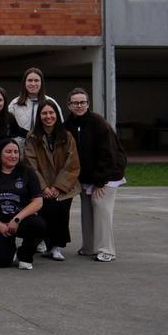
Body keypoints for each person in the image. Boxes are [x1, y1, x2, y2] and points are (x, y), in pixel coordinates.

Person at [64, 88, 127, 263]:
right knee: (86, 210)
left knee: (101, 207)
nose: (79, 105)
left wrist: (100, 180)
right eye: (75, 102)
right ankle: (89, 246)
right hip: (86, 177)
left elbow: (109, 154)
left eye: (82, 102)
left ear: (88, 104)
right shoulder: (67, 125)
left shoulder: (98, 123)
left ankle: (106, 249)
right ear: (69, 105)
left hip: (107, 175)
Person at [0, 139, 46, 269]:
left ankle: (25, 254)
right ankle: (8, 248)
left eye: (16, 152)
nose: (13, 155)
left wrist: (17, 219)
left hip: (20, 220)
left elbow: (38, 201)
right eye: (8, 152)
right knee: (1, 262)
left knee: (38, 225)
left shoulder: (28, 172)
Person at [25, 101, 81, 261]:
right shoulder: (32, 137)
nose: (48, 117)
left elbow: (72, 163)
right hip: (42, 186)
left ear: (57, 115)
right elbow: (30, 164)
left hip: (64, 186)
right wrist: (43, 187)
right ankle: (43, 242)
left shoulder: (67, 136)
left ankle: (56, 247)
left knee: (61, 215)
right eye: (44, 113)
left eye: (51, 113)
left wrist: (58, 186)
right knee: (44, 215)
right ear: (39, 116)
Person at [8, 67, 62, 134]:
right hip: (20, 143)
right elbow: (8, 127)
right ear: (24, 83)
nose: (33, 84)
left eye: (36, 80)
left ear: (41, 83)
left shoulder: (51, 102)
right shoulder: (14, 104)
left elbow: (60, 126)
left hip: (44, 143)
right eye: (30, 80)